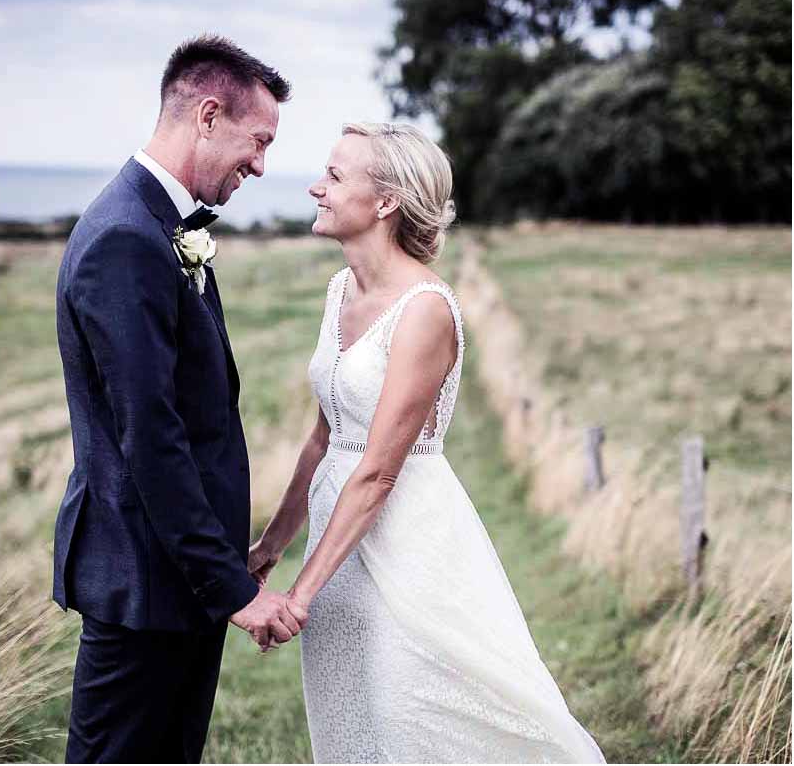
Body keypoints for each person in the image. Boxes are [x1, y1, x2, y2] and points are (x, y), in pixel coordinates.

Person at [247, 122, 607, 763]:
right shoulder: (339, 291)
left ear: (385, 201)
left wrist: (300, 596)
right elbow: (325, 436)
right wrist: (271, 547)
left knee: (411, 713)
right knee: (352, 708)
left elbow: (378, 473)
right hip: (337, 539)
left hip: (404, 539)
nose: (315, 187)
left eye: (335, 176)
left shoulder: (425, 310)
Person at [52, 34, 307, 763]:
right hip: (144, 578)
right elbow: (151, 437)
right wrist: (232, 588)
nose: (260, 165)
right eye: (259, 140)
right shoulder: (126, 237)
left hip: (177, 582)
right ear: (208, 115)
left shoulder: (164, 225)